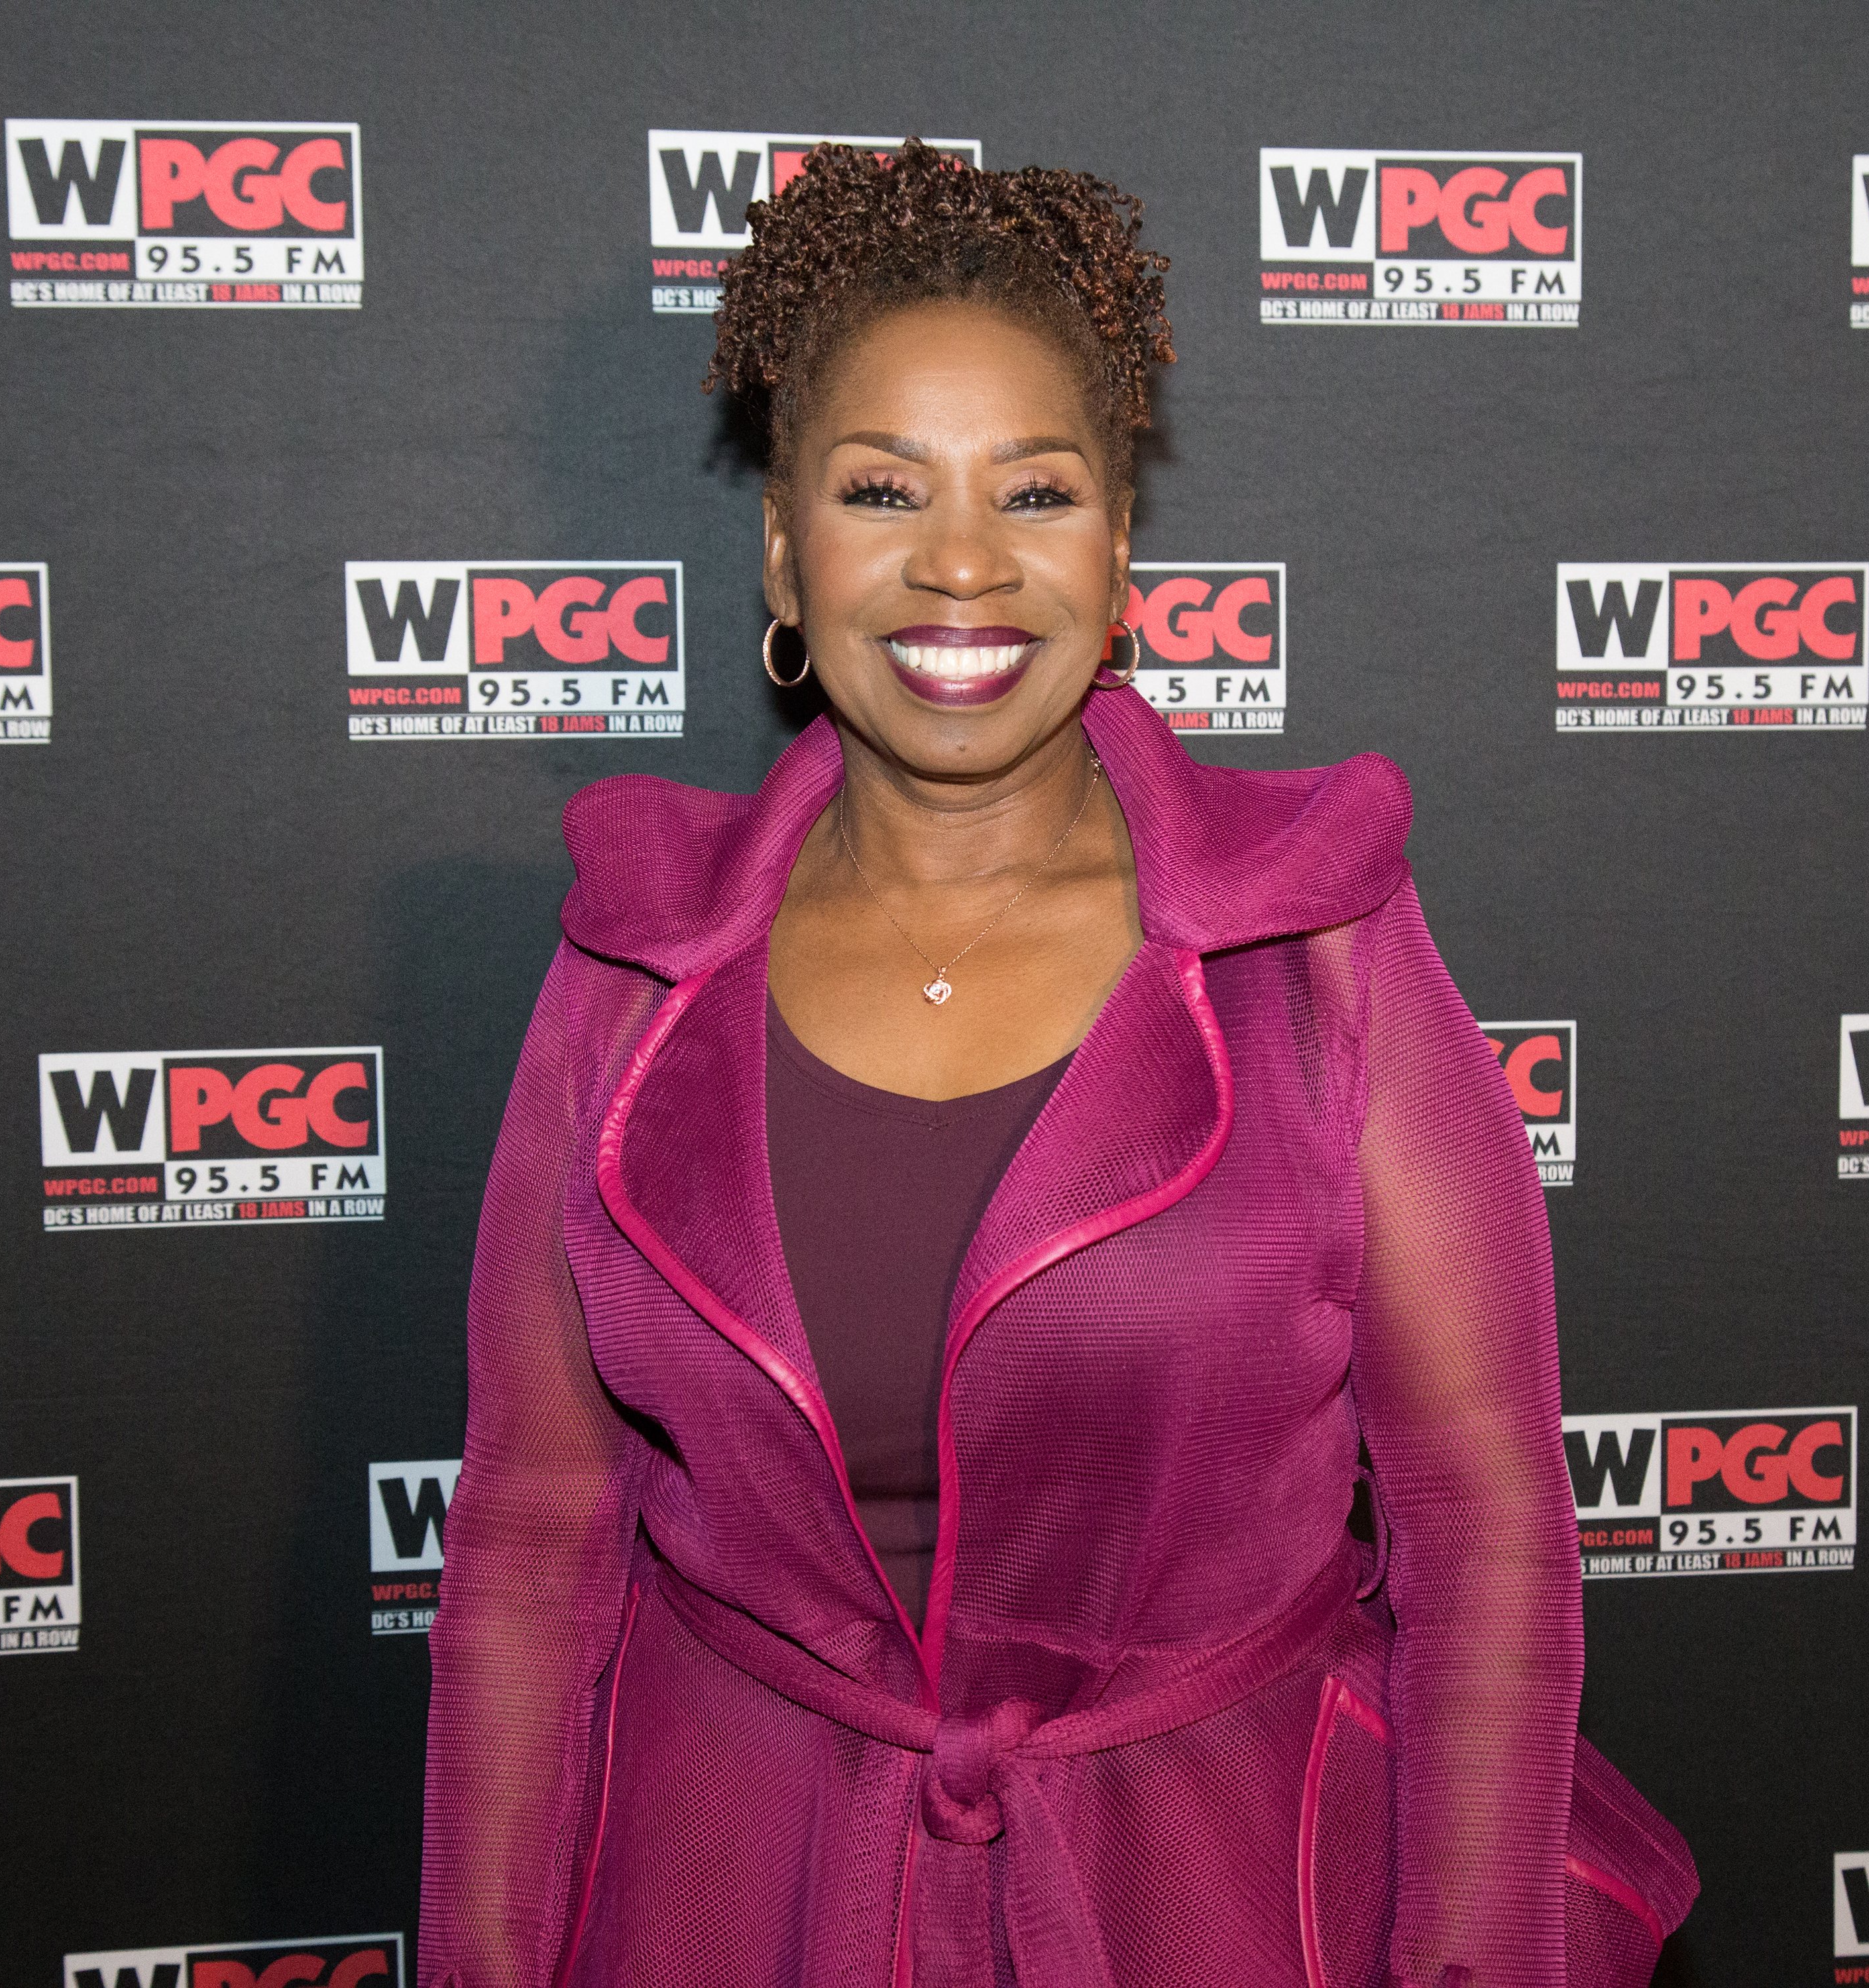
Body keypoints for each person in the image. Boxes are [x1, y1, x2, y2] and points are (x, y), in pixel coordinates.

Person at [420, 140, 1694, 1988]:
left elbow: (1482, 1517)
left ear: (1117, 555)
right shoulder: (633, 966)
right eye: (879, 490)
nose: (958, 562)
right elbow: (532, 1536)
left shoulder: (1309, 938)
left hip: (1221, 1889)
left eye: (1034, 490)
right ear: (785, 549)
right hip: (733, 1891)